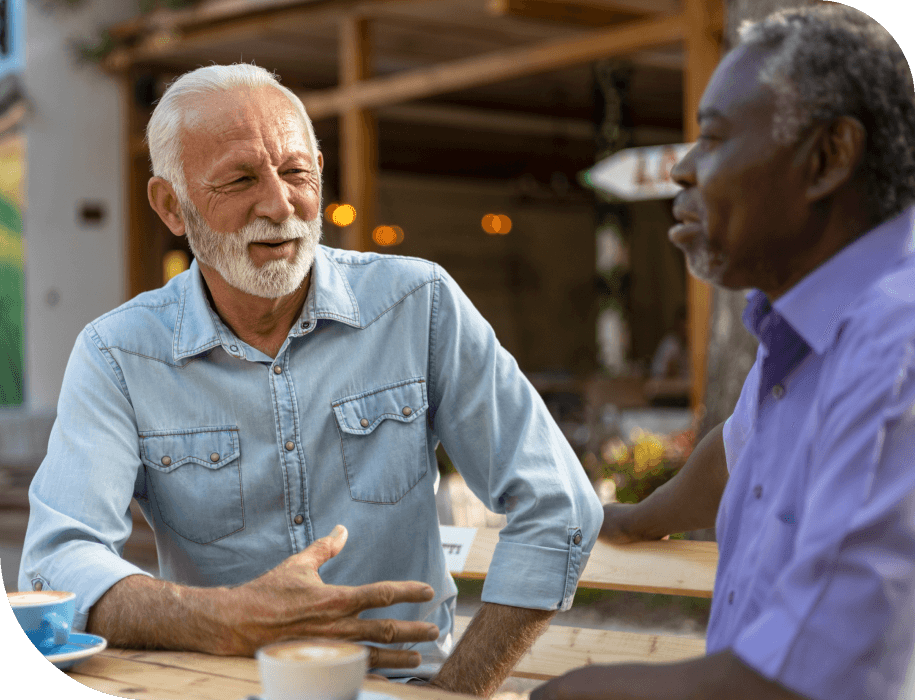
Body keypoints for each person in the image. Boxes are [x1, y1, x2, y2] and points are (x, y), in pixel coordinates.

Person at [19, 64, 603, 695]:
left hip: (406, 689)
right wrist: (230, 619)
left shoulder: (418, 304)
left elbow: (558, 503)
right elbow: (59, 561)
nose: (279, 204)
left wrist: (455, 693)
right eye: (240, 179)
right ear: (171, 206)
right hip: (214, 688)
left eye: (296, 173)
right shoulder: (119, 354)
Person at [533, 4, 915, 700]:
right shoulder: (807, 331)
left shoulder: (896, 346)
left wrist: (561, 695)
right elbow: (739, 449)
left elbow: (805, 679)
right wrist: (631, 520)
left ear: (827, 157)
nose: (680, 169)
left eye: (710, 139)